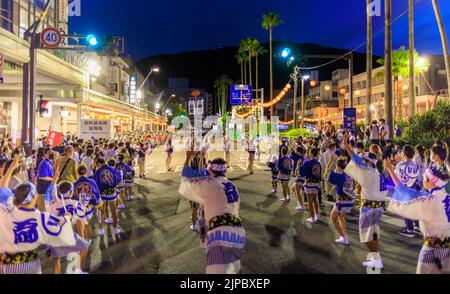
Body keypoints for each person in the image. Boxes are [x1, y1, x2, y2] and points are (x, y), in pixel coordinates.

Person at [0, 156, 76, 274]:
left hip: (6, 266)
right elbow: (59, 226)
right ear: (33, 198)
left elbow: (2, 187)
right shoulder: (41, 218)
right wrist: (67, 216)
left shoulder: (5, 211)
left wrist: (11, 167)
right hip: (30, 266)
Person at [179, 153, 245, 274]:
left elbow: (185, 176)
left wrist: (187, 157)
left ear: (211, 170)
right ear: (225, 170)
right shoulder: (232, 186)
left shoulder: (209, 184)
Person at [385, 159, 450, 274]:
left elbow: (404, 192)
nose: (423, 179)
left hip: (432, 249)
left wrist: (390, 170)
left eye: (425, 178)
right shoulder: (446, 196)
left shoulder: (429, 200)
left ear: (432, 182)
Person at [342, 133, 387, 270]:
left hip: (369, 206)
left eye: (365, 159)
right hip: (378, 206)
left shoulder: (367, 171)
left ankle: (377, 258)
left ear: (368, 162)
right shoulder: (377, 173)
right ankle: (375, 259)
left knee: (366, 236)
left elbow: (354, 157)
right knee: (373, 234)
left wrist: (345, 144)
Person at [324, 156, 354, 245]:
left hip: (341, 202)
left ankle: (344, 237)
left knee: (332, 219)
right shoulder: (349, 175)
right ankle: (344, 235)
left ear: (338, 166)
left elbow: (326, 173)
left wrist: (329, 162)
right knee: (341, 218)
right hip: (349, 202)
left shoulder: (340, 177)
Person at [395, 145, 421, 238]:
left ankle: (409, 229)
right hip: (415, 188)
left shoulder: (400, 165)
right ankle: (417, 226)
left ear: (404, 153)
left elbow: (396, 178)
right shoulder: (415, 164)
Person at [93, 158, 122, 236]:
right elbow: (118, 179)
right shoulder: (112, 169)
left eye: (96, 164)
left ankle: (101, 230)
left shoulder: (98, 171)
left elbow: (95, 183)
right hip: (111, 192)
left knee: (100, 212)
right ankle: (115, 229)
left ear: (99, 163)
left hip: (102, 193)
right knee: (113, 211)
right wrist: (113, 185)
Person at [300, 148, 322, 223]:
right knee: (315, 200)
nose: (308, 154)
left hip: (309, 183)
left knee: (310, 201)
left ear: (312, 153)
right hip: (316, 183)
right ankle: (317, 215)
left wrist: (300, 164)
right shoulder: (318, 163)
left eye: (309, 152)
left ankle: (312, 217)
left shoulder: (308, 162)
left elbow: (301, 171)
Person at [291, 145, 306, 210]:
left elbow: (300, 167)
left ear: (298, 151)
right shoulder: (301, 156)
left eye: (295, 149)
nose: (295, 150)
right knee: (293, 189)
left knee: (297, 190)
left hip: (300, 176)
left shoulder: (301, 157)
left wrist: (297, 167)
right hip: (300, 175)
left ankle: (301, 205)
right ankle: (299, 202)